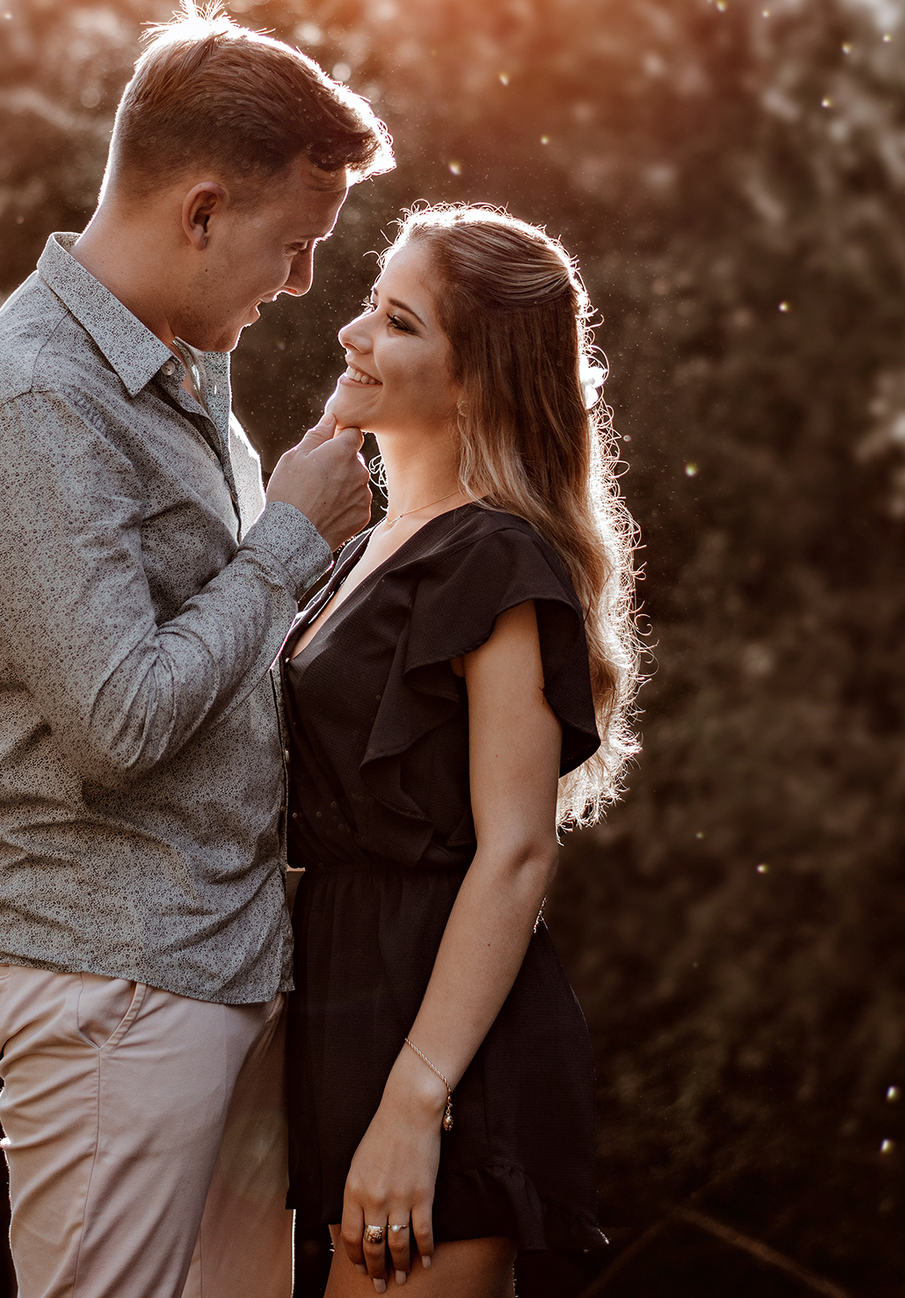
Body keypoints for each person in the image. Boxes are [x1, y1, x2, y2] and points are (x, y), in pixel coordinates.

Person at [0, 0, 393, 1298]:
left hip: (220, 956)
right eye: (293, 245)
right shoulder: (33, 398)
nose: (300, 283)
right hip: (110, 976)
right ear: (201, 211)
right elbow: (119, 721)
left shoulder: (178, 381)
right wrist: (288, 541)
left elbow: (220, 657)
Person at [283, 204, 641, 1298]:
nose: (352, 333)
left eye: (399, 322)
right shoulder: (361, 546)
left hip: (437, 1030)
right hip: (345, 995)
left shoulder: (494, 559)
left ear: (477, 382)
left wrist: (416, 1098)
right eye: (370, 304)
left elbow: (518, 853)